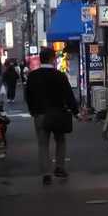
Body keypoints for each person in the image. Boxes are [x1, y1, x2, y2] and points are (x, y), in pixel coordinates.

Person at [24, 45, 78, 184]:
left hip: (40, 114)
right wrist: (75, 111)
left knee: (43, 144)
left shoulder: (33, 76)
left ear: (41, 59)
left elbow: (28, 96)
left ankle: (46, 174)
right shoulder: (59, 75)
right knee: (60, 140)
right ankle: (59, 167)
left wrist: (32, 110)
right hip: (58, 113)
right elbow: (68, 95)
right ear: (52, 59)